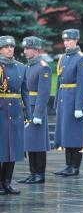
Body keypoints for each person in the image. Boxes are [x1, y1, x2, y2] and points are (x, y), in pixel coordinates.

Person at [54, 29, 83, 176]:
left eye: (69, 40)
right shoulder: (63, 58)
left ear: (76, 40)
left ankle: (75, 166)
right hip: (64, 99)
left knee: (74, 134)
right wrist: (56, 102)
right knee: (66, 134)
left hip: (73, 100)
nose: (66, 42)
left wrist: (79, 106)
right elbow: (59, 82)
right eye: (65, 40)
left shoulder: (81, 59)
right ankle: (68, 165)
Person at [17, 37, 52, 184]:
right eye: (24, 48)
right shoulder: (29, 66)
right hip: (27, 109)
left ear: (36, 50)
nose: (24, 51)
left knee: (38, 144)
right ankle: (33, 173)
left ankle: (39, 174)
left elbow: (44, 93)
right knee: (30, 142)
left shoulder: (43, 67)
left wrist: (38, 114)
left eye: (27, 49)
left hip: (36, 110)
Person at [0, 36, 30, 195]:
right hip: (1, 111)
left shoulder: (21, 67)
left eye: (11, 46)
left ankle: (7, 182)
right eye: (6, 47)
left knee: (13, 149)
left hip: (16, 112)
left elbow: (25, 91)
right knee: (1, 148)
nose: (10, 49)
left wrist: (28, 115)